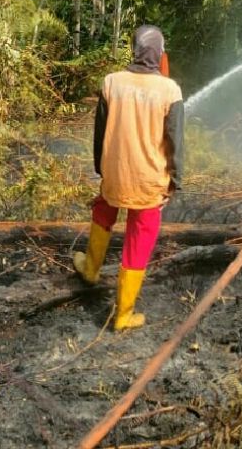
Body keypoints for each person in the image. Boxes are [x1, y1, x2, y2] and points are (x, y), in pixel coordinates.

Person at [73, 25, 184, 331]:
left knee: (105, 208)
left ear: (134, 49)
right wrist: (176, 179)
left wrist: (101, 168)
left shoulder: (111, 83)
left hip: (115, 174)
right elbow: (175, 141)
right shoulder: (170, 90)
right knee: (140, 236)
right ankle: (123, 315)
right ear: (160, 54)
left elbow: (99, 134)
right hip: (150, 181)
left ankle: (91, 269)